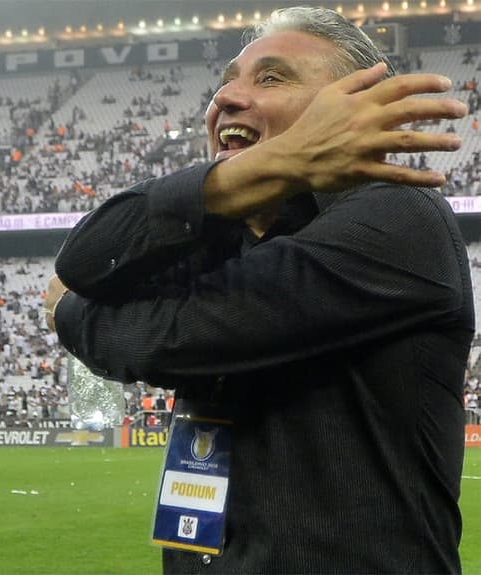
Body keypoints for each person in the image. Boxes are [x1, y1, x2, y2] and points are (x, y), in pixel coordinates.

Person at [44, 6, 472, 574]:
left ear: (359, 106)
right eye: (226, 83)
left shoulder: (398, 219)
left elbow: (170, 340)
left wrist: (67, 315)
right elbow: (85, 257)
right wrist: (234, 183)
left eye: (270, 78)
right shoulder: (221, 237)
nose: (227, 99)